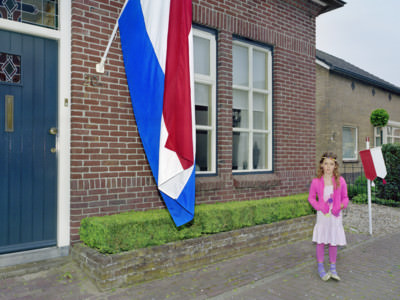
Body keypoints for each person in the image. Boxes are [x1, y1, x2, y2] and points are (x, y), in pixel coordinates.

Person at [308, 152, 349, 281]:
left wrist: (340, 206)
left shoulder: (340, 181)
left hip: (335, 215)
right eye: (326, 163)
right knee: (321, 240)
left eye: (331, 164)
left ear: (335, 166)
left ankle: (333, 268)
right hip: (323, 215)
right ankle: (320, 267)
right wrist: (319, 206)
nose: (328, 167)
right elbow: (311, 198)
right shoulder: (316, 182)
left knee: (333, 240)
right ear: (321, 165)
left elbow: (345, 198)